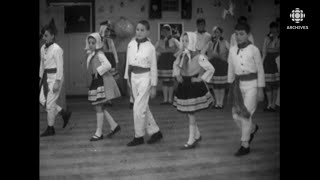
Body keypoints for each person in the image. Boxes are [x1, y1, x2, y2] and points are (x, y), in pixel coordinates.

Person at [227, 23, 265, 156]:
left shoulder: (254, 49)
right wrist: (229, 86)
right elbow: (231, 69)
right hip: (238, 86)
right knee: (235, 116)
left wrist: (260, 89)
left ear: (248, 35)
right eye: (236, 34)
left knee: (245, 115)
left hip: (252, 86)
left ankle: (245, 144)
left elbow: (260, 70)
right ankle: (252, 129)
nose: (238, 36)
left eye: (241, 33)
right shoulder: (232, 50)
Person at [173, 32, 215, 150]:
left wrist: (200, 79)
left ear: (193, 42)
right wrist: (177, 76)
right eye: (183, 40)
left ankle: (191, 140)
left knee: (191, 113)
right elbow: (175, 65)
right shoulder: (181, 55)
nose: (185, 43)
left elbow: (211, 69)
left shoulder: (199, 57)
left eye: (187, 41)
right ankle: (197, 134)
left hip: (193, 86)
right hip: (184, 86)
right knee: (188, 113)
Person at [124, 20, 163, 146]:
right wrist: (127, 79)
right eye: (137, 29)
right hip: (133, 77)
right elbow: (128, 63)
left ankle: (138, 136)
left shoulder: (150, 47)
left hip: (145, 78)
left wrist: (154, 86)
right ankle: (155, 132)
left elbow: (154, 67)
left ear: (147, 32)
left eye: (142, 30)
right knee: (143, 107)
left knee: (138, 108)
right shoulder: (130, 44)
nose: (139, 32)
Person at [85, 32, 121, 141]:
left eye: (93, 42)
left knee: (98, 106)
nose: (91, 44)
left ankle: (99, 132)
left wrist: (98, 71)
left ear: (98, 43)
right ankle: (114, 126)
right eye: (89, 42)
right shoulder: (92, 53)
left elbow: (108, 65)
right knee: (99, 106)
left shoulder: (99, 54)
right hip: (96, 80)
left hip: (101, 81)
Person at [39, 19, 72, 137]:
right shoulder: (42, 48)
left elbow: (60, 66)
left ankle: (50, 128)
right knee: (42, 100)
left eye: (46, 35)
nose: (44, 37)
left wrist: (58, 82)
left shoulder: (57, 49)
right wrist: (40, 79)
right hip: (45, 78)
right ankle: (63, 113)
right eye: (43, 34)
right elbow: (42, 65)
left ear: (52, 36)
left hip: (55, 78)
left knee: (49, 104)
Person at [204, 26, 230, 109]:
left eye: (218, 32)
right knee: (215, 85)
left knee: (221, 85)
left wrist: (227, 60)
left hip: (222, 65)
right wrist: (208, 59)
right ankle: (217, 103)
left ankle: (221, 103)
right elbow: (203, 52)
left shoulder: (225, 42)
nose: (216, 34)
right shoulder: (210, 43)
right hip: (213, 65)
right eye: (215, 32)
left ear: (221, 33)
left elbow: (231, 52)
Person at [155, 24, 181, 104]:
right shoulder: (159, 41)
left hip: (171, 62)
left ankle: (170, 99)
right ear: (162, 32)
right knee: (165, 80)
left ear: (170, 31)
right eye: (164, 31)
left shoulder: (174, 40)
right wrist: (159, 54)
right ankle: (165, 99)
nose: (165, 32)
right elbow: (154, 50)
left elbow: (181, 49)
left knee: (171, 81)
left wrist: (175, 54)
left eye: (167, 31)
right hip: (163, 63)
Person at [99, 21, 120, 107]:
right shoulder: (99, 40)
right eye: (106, 31)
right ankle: (104, 99)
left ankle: (109, 99)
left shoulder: (110, 40)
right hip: (103, 61)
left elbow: (114, 51)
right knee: (103, 81)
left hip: (111, 60)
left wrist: (116, 61)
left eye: (108, 31)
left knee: (111, 81)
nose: (107, 33)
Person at [262, 21, 280, 112]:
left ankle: (273, 104)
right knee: (268, 84)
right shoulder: (267, 38)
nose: (273, 29)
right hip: (268, 61)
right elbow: (264, 51)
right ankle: (269, 104)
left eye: (275, 27)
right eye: (271, 28)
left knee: (276, 84)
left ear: (278, 28)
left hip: (277, 61)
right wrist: (262, 63)